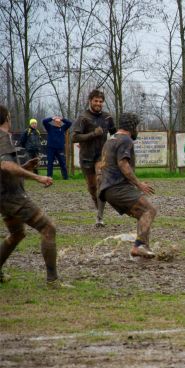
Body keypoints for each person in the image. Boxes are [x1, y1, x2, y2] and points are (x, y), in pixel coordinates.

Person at [0, 105, 70, 288]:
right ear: (7, 118)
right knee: (48, 228)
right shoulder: (2, 136)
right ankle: (53, 280)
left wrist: (24, 168)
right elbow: (6, 166)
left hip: (4, 196)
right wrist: (37, 176)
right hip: (12, 196)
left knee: (17, 234)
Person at [98, 113, 157, 258]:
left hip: (108, 190)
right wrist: (139, 184)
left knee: (142, 214)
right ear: (131, 126)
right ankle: (139, 246)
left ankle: (145, 248)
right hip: (118, 188)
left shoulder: (110, 140)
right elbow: (123, 164)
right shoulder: (126, 140)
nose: (137, 130)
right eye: (136, 126)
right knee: (150, 210)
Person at [71, 89, 116, 228]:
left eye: (101, 101)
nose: (98, 104)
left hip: (101, 156)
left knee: (100, 180)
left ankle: (100, 218)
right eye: (96, 101)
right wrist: (93, 134)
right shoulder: (83, 118)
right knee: (92, 187)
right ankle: (99, 208)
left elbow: (115, 132)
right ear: (90, 101)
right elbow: (74, 137)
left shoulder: (108, 117)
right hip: (86, 157)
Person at [42, 115, 72, 180]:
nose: (58, 123)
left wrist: (62, 119)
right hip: (51, 148)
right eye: (56, 121)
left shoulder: (63, 128)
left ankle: (65, 177)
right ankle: (49, 177)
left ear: (60, 122)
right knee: (50, 163)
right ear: (54, 122)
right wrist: (52, 118)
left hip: (60, 149)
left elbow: (69, 123)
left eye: (59, 122)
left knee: (62, 163)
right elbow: (44, 121)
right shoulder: (50, 127)